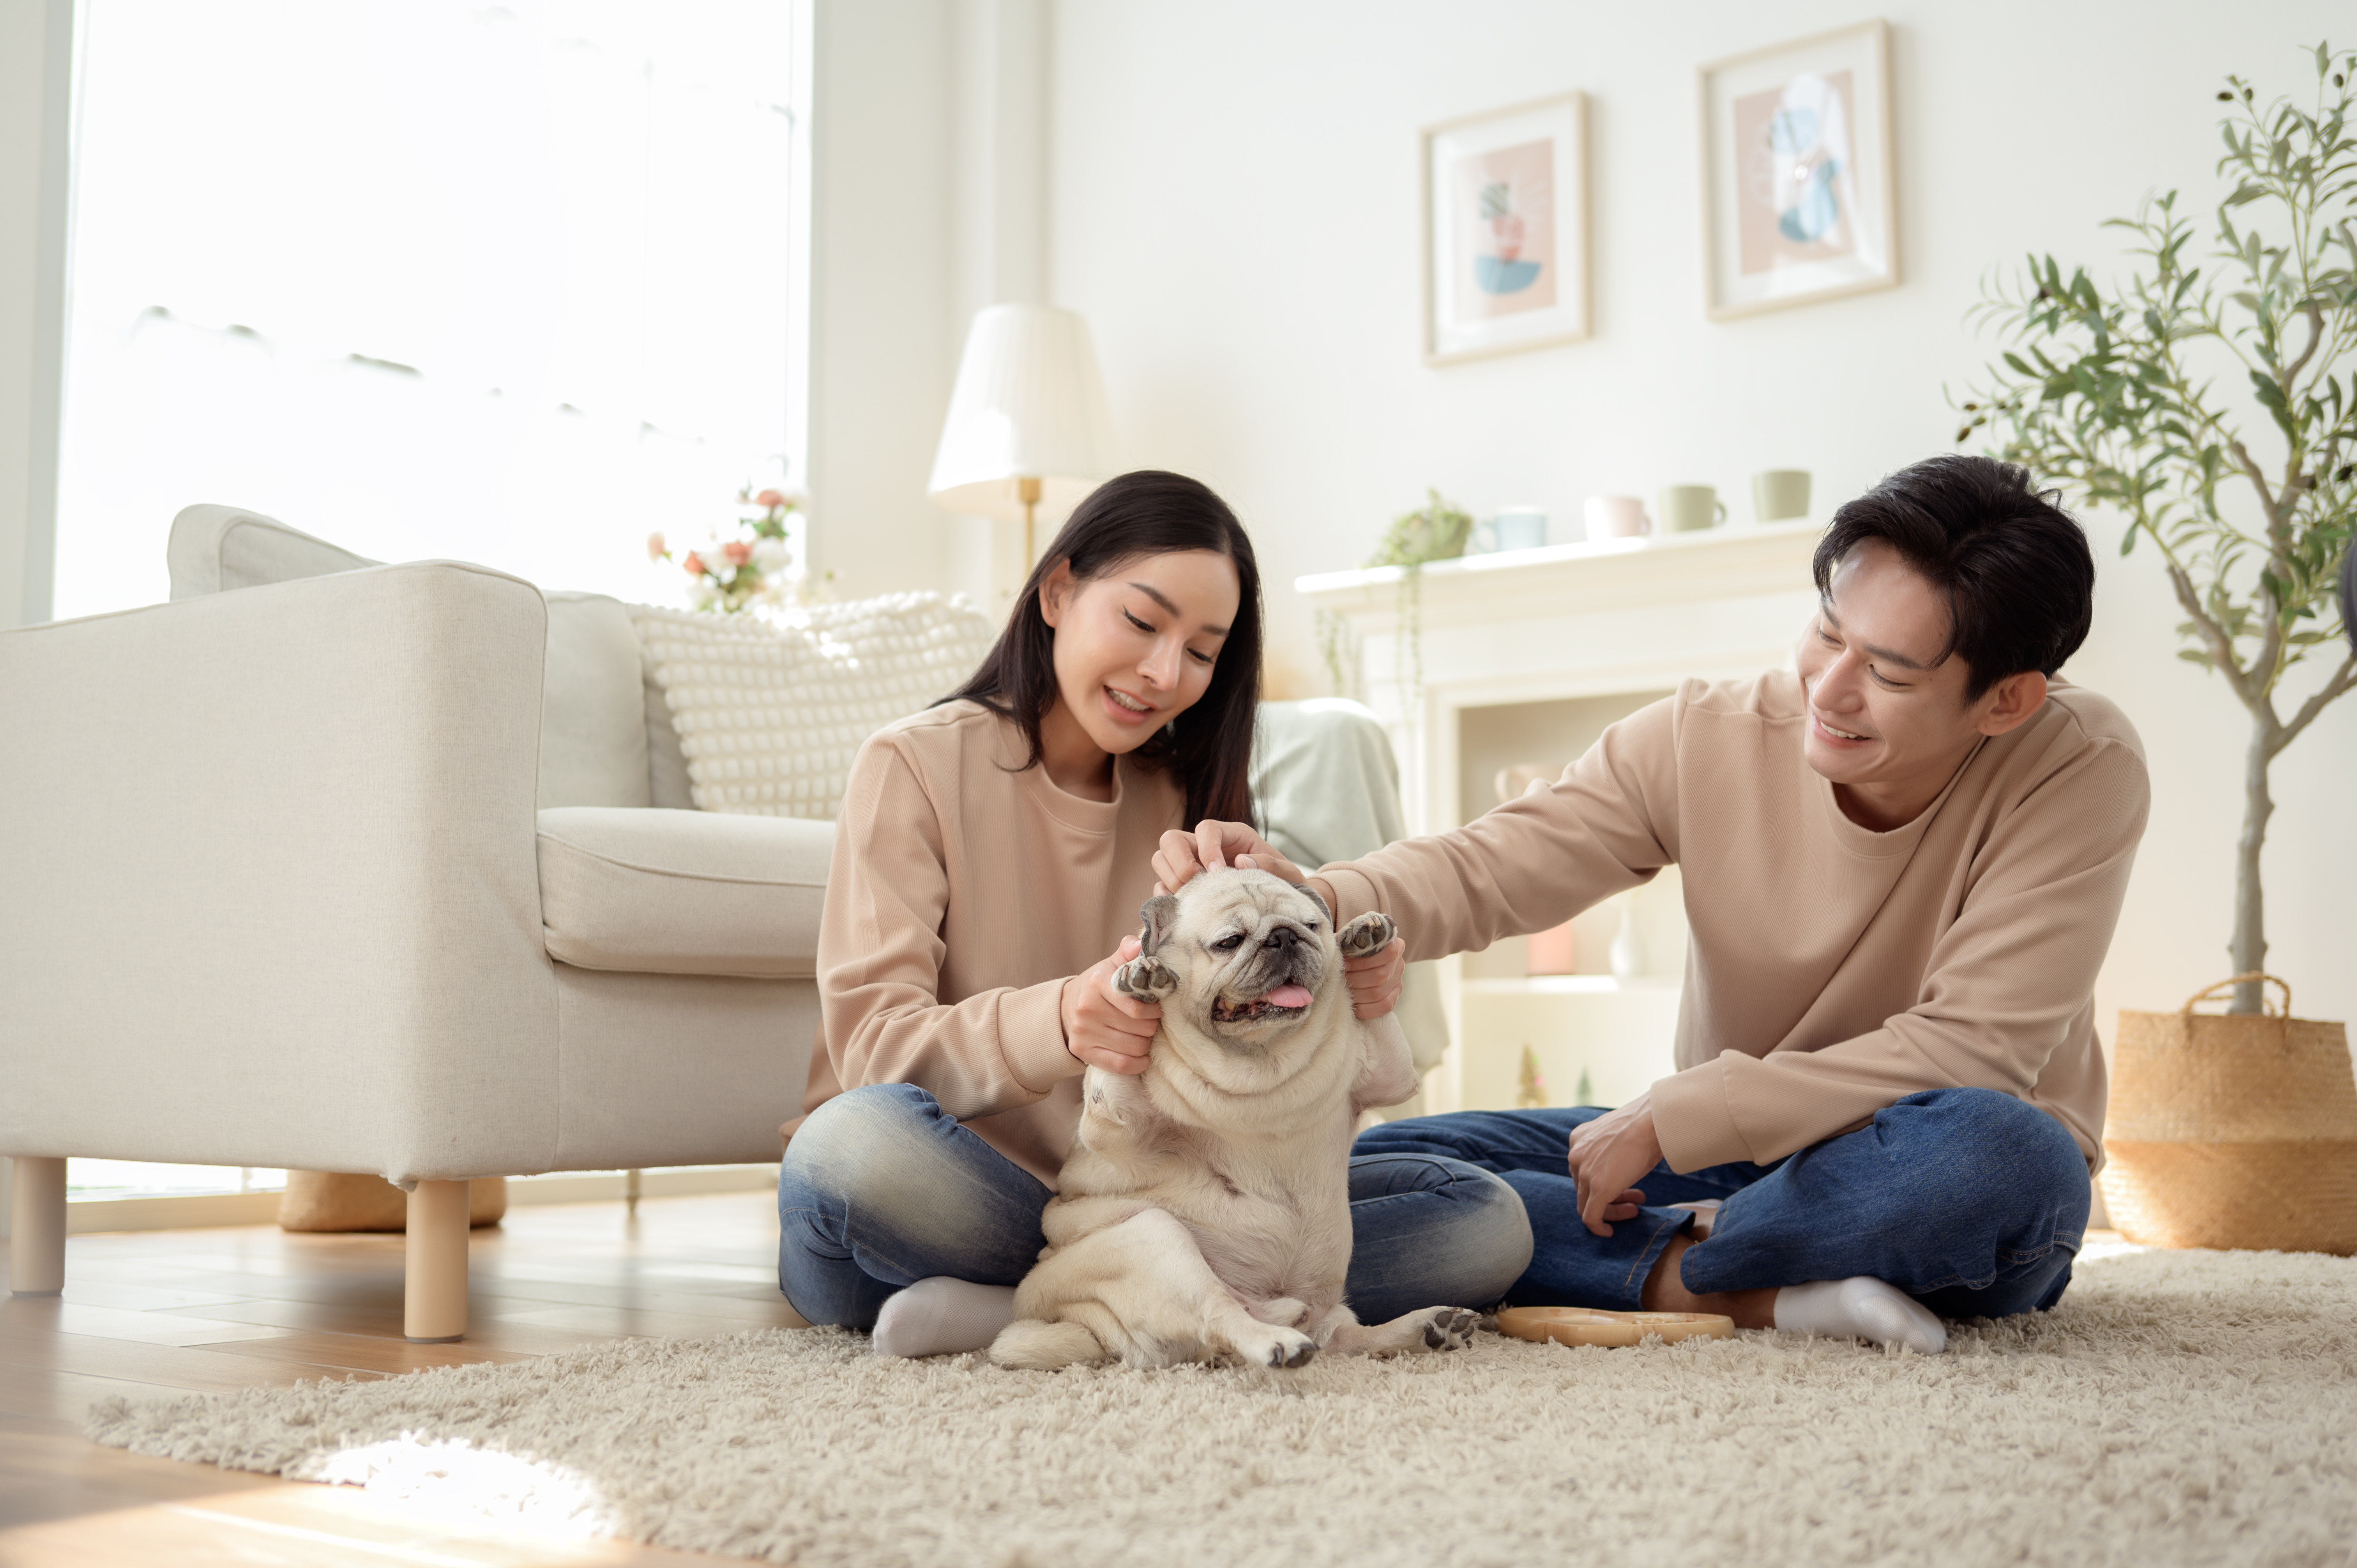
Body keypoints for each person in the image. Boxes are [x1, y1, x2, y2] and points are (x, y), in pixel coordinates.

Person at [1155, 454, 2150, 1354]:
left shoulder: (2078, 766)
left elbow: (1971, 1048)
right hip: (1732, 1172)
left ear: (2007, 699)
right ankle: (1740, 1283)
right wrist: (1317, 896)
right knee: (1380, 1168)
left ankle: (1665, 1267)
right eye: (1827, 634)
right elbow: (1493, 864)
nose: (1830, 689)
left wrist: (1676, 1114)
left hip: (1911, 1163)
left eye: (1887, 672)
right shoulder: (1705, 735)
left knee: (2008, 1159)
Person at [776, 470, 1533, 1356]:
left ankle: (1065, 1307)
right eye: (1141, 622)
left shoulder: (1192, 801)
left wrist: (1339, 992)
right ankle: (1081, 1292)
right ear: (1058, 591)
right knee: (853, 1148)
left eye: (1204, 651)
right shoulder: (912, 766)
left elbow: (1261, 1085)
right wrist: (1063, 1019)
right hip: (964, 1195)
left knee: (1483, 1218)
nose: (1165, 673)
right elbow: (874, 1052)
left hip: (1165, 1207)